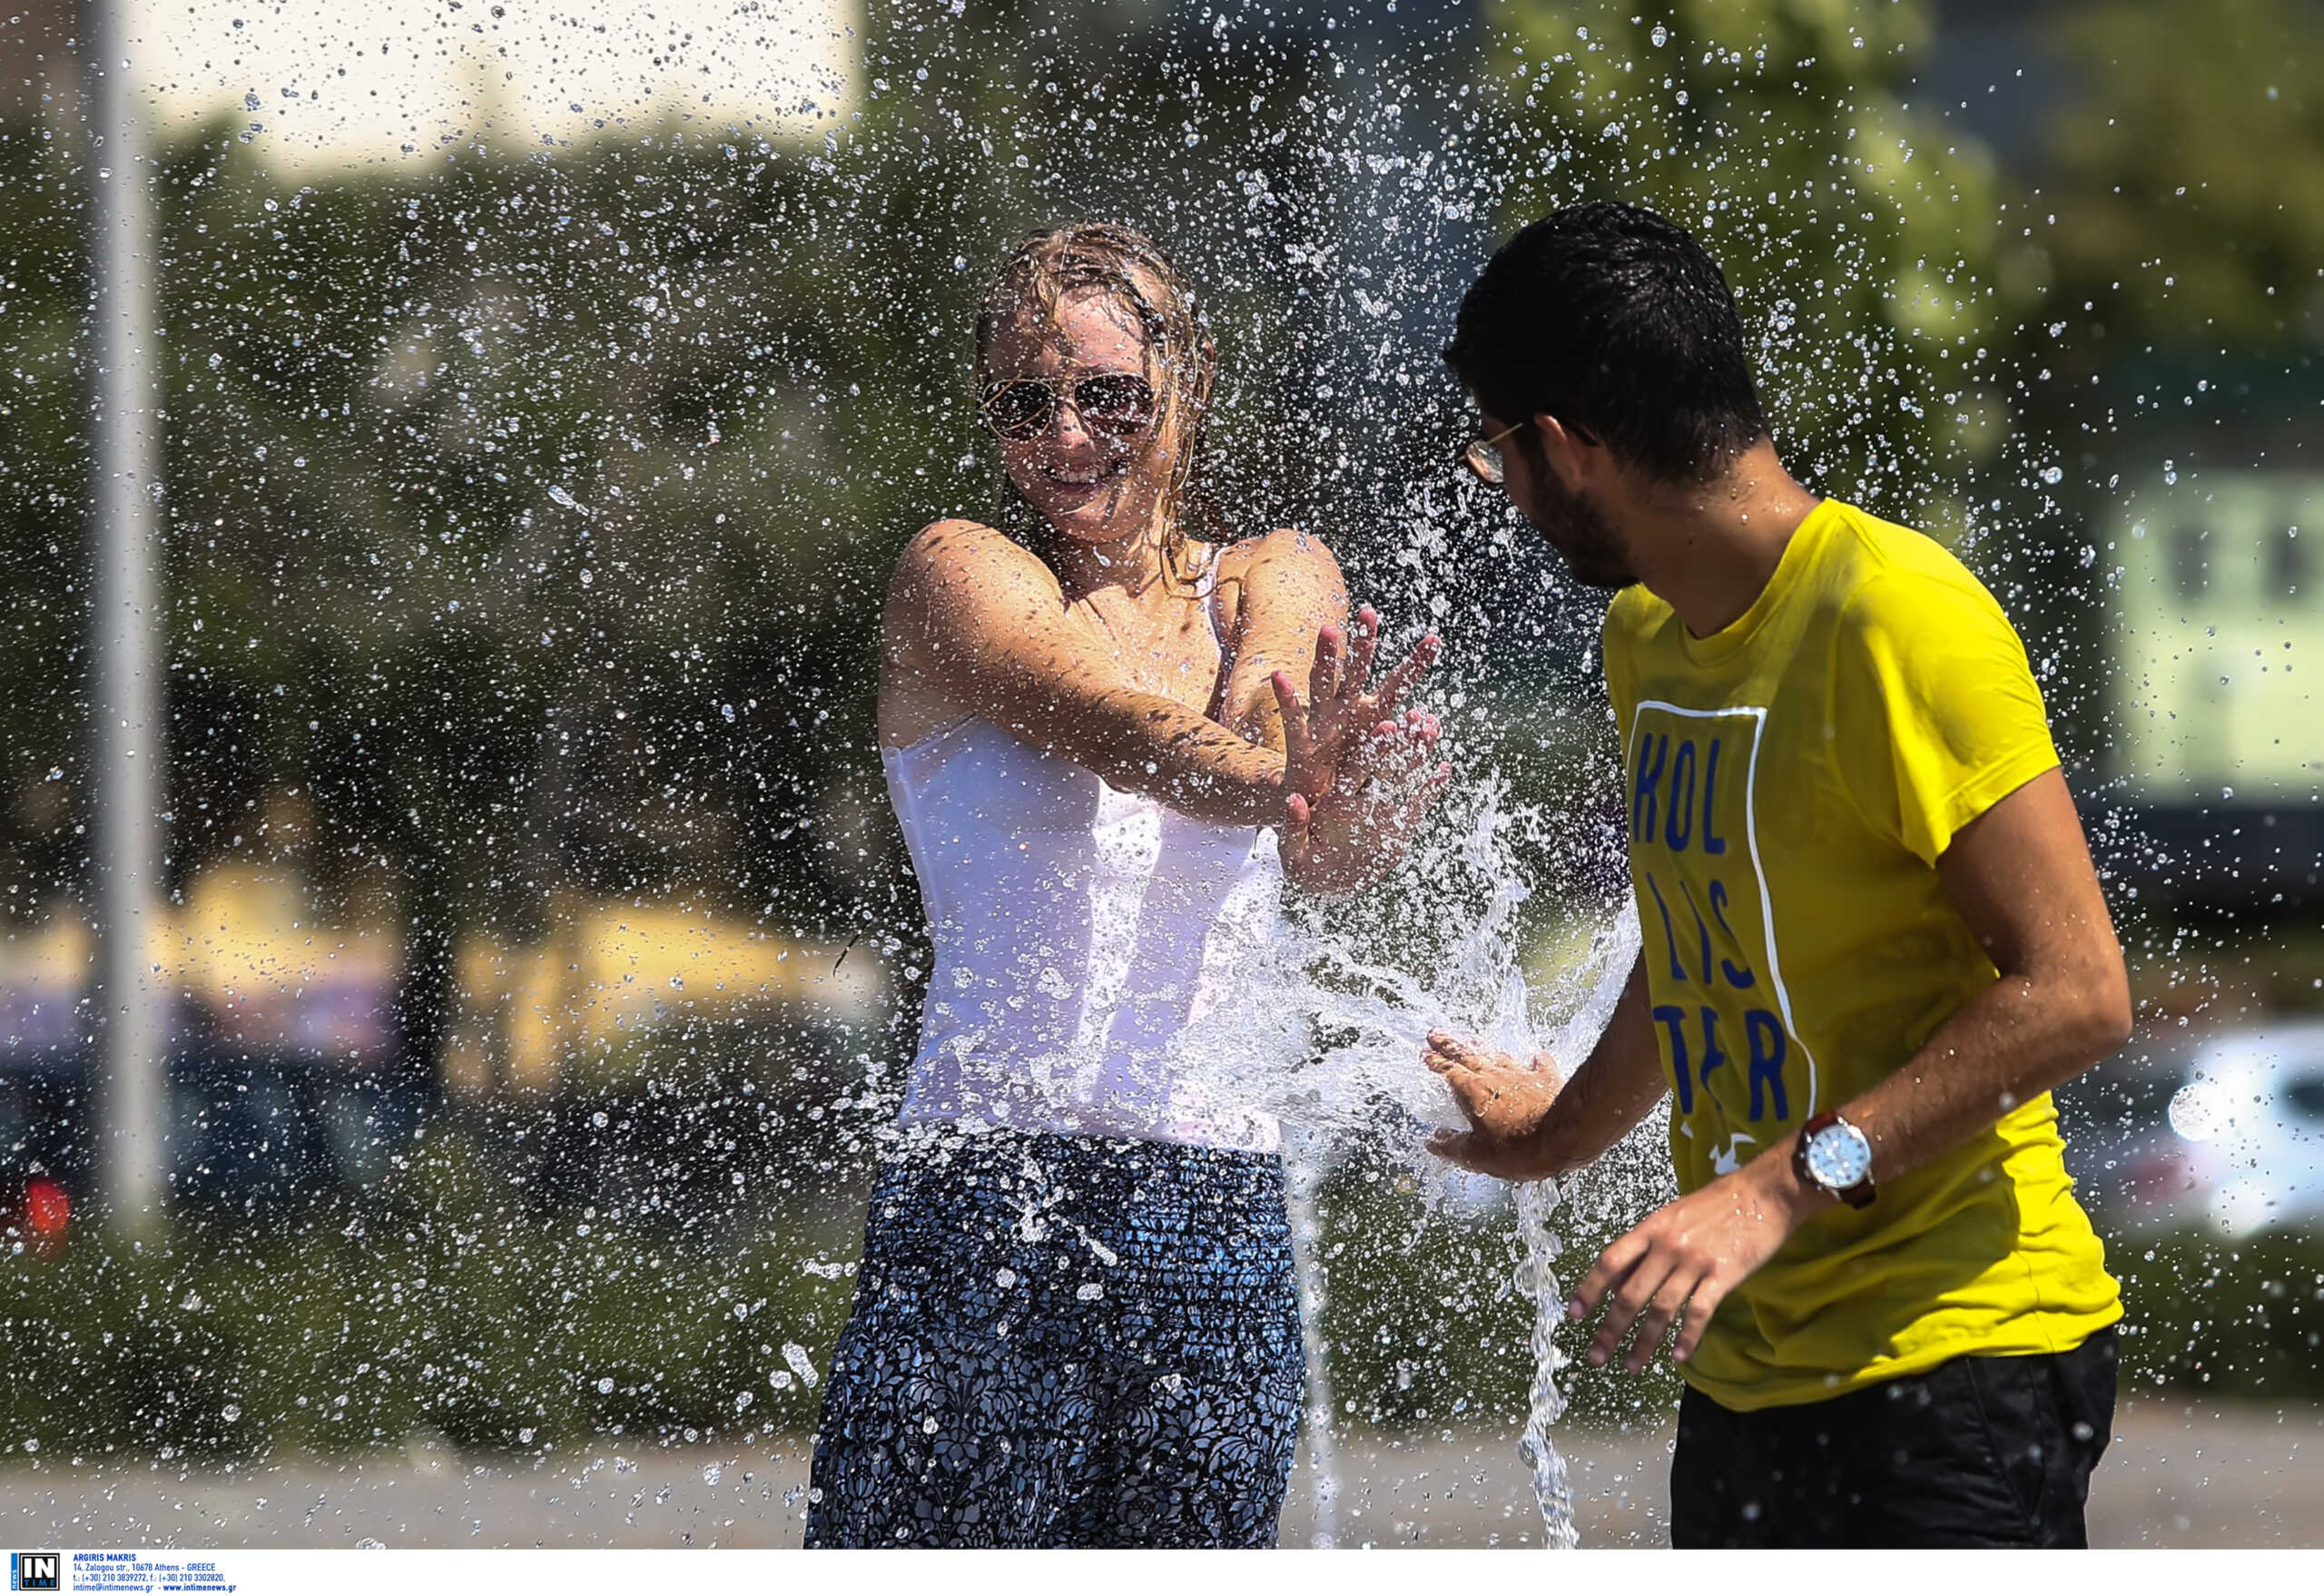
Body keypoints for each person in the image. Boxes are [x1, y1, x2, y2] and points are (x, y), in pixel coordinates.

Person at [1423, 202, 2130, 1549]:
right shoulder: (1652, 639)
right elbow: (1704, 938)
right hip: (1747, 1378)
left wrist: (1774, 1188)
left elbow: (2082, 990)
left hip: (1960, 1360)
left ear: (1568, 444)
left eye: (1500, 454)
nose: (1504, 493)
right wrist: (1564, 1131)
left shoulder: (1897, 620)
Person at [804, 222, 1445, 1548]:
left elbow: (1310, 835)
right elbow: (1131, 735)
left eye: (1107, 396)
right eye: (1025, 405)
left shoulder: (1274, 574)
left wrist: (1358, 809)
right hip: (987, 1189)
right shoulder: (961, 574)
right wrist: (1287, 782)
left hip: (1216, 1205)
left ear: (1186, 385)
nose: (1068, 437)